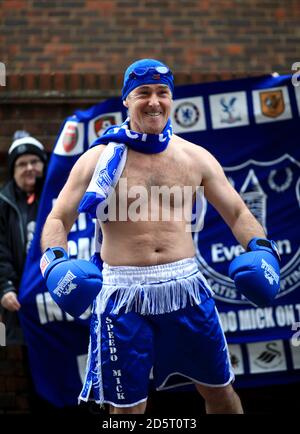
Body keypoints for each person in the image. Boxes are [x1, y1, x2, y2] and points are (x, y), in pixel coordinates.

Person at [40, 59, 280, 414]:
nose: (154, 101)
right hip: (122, 293)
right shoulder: (97, 160)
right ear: (126, 99)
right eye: (143, 93)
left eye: (162, 93)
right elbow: (58, 217)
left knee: (220, 393)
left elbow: (238, 212)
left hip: (185, 287)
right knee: (127, 409)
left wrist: (261, 248)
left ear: (171, 99)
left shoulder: (194, 157)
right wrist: (54, 263)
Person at [0, 130, 48, 412]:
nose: (29, 168)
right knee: (34, 372)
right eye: (22, 163)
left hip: (61, 305)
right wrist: (5, 287)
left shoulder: (59, 196)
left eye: (35, 161)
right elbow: (0, 251)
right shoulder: (4, 205)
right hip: (27, 307)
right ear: (13, 170)